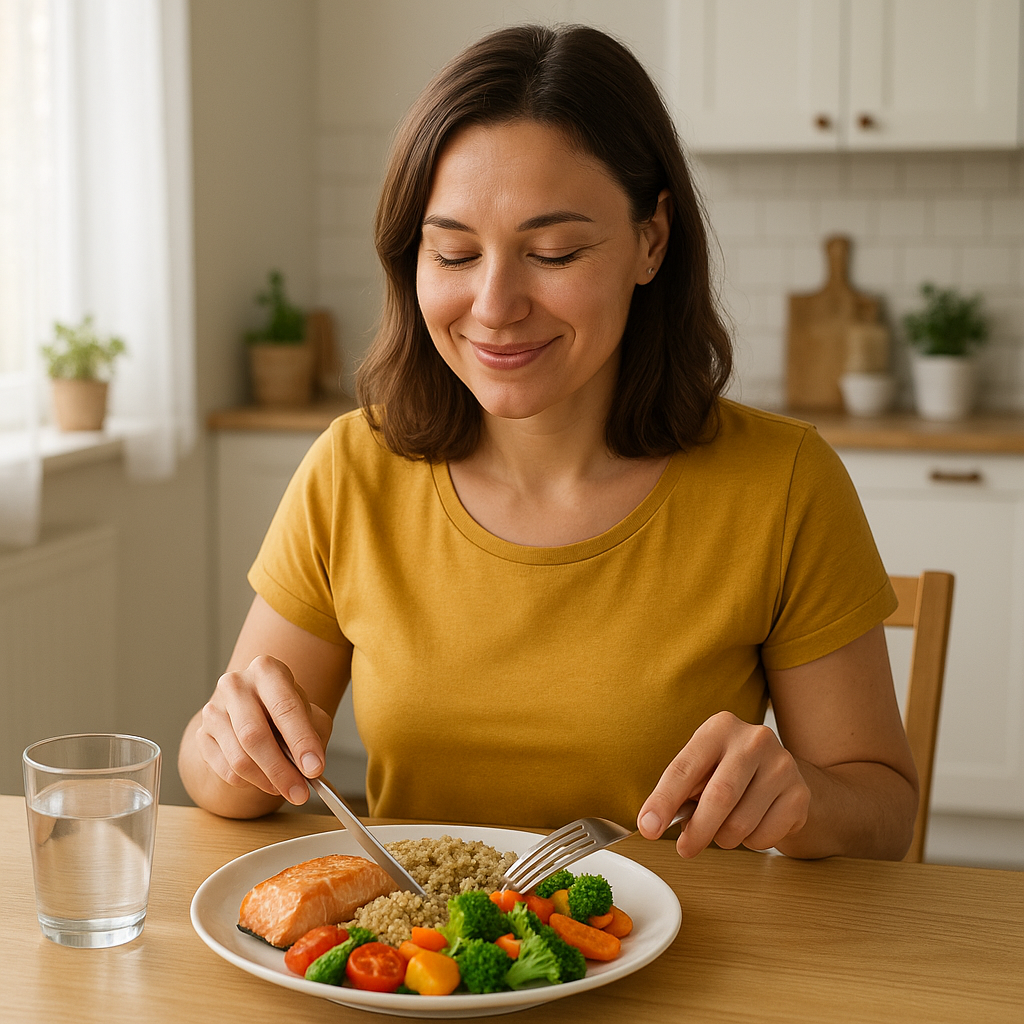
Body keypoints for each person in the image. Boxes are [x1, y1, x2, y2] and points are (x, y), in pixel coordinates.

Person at [179, 24, 918, 861]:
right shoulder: (354, 470)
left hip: (681, 966)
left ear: (652, 240)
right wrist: (228, 742)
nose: (494, 305)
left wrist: (802, 799)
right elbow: (220, 779)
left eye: (554, 252)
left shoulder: (783, 483)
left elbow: (884, 815)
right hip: (421, 977)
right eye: (454, 252)